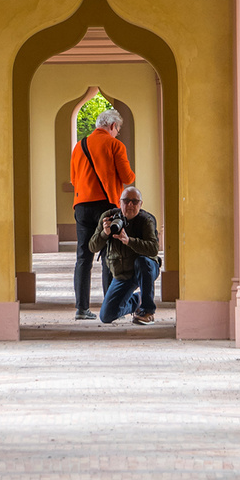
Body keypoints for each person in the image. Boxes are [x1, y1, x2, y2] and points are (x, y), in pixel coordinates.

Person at [69, 107, 135, 320]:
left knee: (83, 257)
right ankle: (111, 307)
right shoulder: (115, 145)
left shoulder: (79, 146)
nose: (118, 133)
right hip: (106, 206)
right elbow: (128, 177)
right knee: (109, 256)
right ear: (113, 126)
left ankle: (81, 309)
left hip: (81, 206)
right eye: (118, 129)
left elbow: (73, 179)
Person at [89, 186, 159, 325]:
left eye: (134, 201)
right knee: (106, 316)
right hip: (123, 274)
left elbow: (153, 249)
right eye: (126, 201)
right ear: (119, 202)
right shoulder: (108, 217)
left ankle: (147, 311)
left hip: (146, 269)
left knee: (142, 261)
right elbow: (92, 247)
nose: (130, 205)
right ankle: (137, 301)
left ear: (141, 204)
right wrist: (105, 233)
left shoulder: (146, 220)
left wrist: (129, 241)